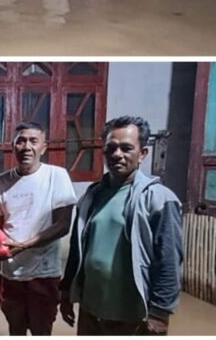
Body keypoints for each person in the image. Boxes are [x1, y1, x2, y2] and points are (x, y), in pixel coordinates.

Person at [60, 116, 184, 335]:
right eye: (111, 148)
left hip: (134, 315)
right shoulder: (91, 197)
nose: (117, 155)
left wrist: (160, 312)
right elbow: (77, 252)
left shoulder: (159, 199)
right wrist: (67, 293)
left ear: (142, 153)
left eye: (126, 148)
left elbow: (168, 260)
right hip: (91, 310)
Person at [0, 122, 77, 336]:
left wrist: (25, 245)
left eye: (33, 141)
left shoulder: (57, 176)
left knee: (41, 330)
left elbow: (63, 225)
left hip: (43, 273)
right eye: (21, 141)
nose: (27, 146)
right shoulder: (0, 182)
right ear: (13, 146)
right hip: (9, 273)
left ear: (43, 148)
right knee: (15, 329)